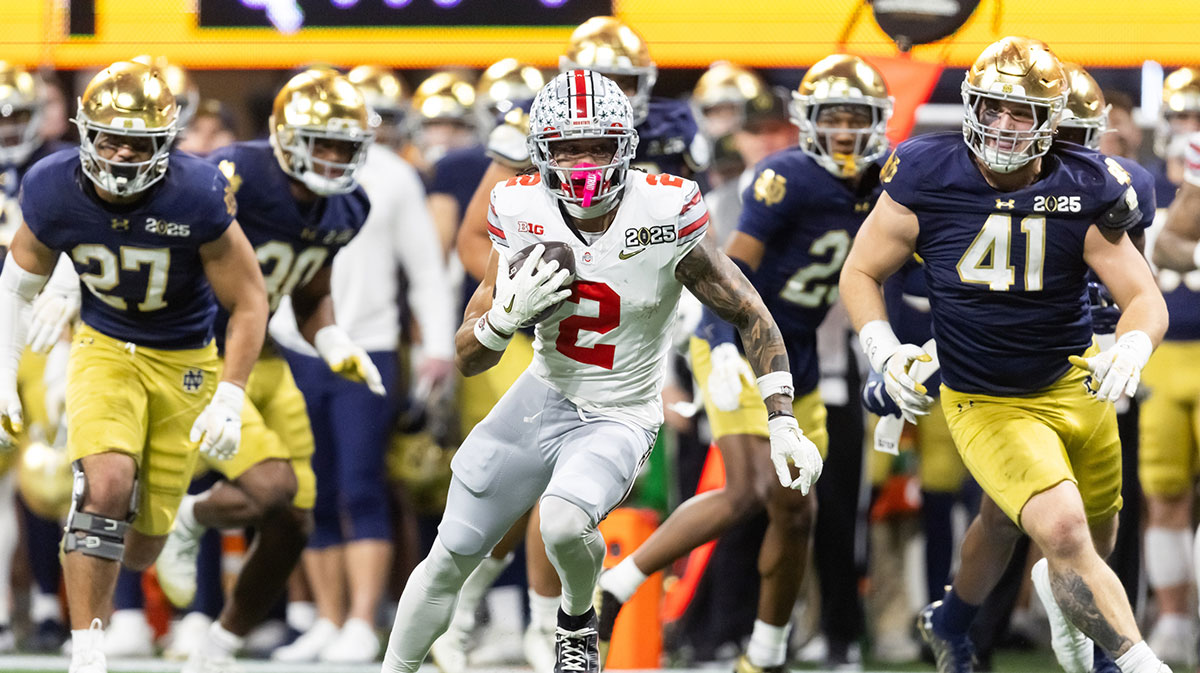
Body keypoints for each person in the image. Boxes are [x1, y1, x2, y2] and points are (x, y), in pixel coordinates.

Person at [381, 69, 821, 673]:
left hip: (619, 409)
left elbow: (752, 315)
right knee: (448, 553)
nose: (584, 162)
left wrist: (781, 421)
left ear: (627, 146)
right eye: (568, 147)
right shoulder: (518, 207)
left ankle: (577, 621)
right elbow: (468, 354)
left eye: (598, 145)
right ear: (541, 152)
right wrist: (500, 320)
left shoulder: (667, 209)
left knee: (563, 521)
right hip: (544, 392)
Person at [838, 36, 1170, 673]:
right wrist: (883, 349)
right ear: (971, 106)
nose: (1003, 126)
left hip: (1075, 382)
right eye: (992, 108)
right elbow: (861, 271)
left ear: (1053, 121)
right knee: (1067, 533)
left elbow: (1144, 299)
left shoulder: (1088, 182)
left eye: (1022, 113)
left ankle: (953, 619)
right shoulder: (927, 171)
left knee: (1059, 529)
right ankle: (1128, 663)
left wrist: (1131, 343)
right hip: (986, 394)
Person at [595, 53, 891, 673]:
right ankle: (621, 584)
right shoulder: (782, 179)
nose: (843, 131)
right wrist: (722, 344)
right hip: (738, 336)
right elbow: (726, 278)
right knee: (748, 489)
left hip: (801, 355)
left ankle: (765, 652)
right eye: (831, 117)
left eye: (855, 117)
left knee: (797, 507)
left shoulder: (885, 185)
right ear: (808, 121)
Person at [0, 60, 269, 673]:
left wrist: (229, 393)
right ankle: (88, 649)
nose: (121, 153)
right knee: (107, 484)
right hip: (104, 346)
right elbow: (14, 288)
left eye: (138, 141)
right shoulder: (51, 184)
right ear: (83, 132)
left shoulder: (197, 193)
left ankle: (163, 530)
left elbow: (249, 300)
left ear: (166, 143)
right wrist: (3, 374)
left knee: (144, 547)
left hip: (185, 360)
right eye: (108, 137)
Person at [146, 68, 382, 673]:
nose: (332, 158)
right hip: (193, 344)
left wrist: (329, 336)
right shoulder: (235, 172)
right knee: (269, 484)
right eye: (319, 142)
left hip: (261, 348)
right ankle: (186, 520)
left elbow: (308, 291)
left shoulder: (349, 206)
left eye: (343, 146)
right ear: (283, 136)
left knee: (296, 516)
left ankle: (220, 647)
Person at [267, 68, 456, 663]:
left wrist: (438, 347)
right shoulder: (281, 174)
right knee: (308, 489)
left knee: (360, 484)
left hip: (368, 343)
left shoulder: (393, 177)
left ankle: (360, 617)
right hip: (295, 346)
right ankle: (327, 618)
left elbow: (425, 269)